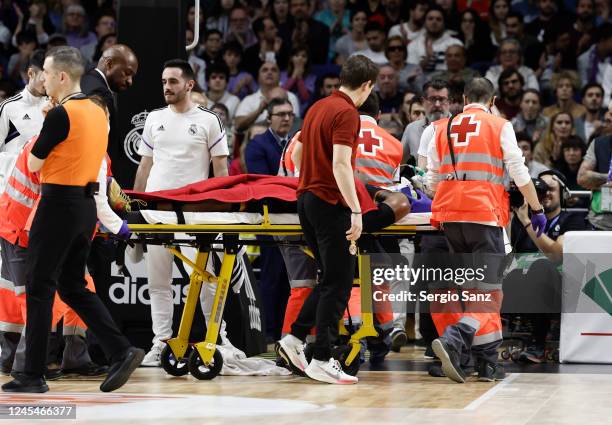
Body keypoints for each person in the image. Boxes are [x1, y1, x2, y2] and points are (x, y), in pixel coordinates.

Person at [1, 46, 143, 394]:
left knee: (38, 288)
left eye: (47, 73)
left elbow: (34, 164)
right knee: (73, 286)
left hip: (57, 205)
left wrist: (49, 124)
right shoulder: (99, 112)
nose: (43, 79)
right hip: (84, 209)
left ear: (62, 76)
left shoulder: (61, 114)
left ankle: (32, 374)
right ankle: (122, 350)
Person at [425, 77, 546, 383]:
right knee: (489, 294)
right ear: (492, 101)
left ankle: (486, 363)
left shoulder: (441, 128)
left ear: (464, 97)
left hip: (450, 217)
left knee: (472, 291)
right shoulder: (499, 125)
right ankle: (456, 338)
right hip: (484, 215)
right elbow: (519, 171)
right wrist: (537, 207)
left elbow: (431, 181)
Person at [277, 54, 379, 384]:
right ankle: (321, 357)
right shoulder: (348, 113)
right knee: (339, 281)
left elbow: (296, 154)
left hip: (305, 200)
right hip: (328, 202)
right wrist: (356, 209)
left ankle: (293, 340)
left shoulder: (318, 107)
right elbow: (340, 165)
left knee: (329, 279)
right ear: (366, 86)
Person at [133, 59, 229, 367]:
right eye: (163, 81)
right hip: (157, 213)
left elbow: (221, 171)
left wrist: (219, 213)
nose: (166, 87)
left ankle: (216, 339)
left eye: (173, 81)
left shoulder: (209, 120)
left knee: (205, 280)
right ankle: (160, 343)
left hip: (195, 214)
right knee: (158, 282)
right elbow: (144, 167)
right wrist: (135, 206)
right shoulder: (154, 119)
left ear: (189, 84)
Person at [508, 170, 589, 363]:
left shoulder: (573, 220)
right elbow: (508, 252)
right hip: (522, 284)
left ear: (563, 193)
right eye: (539, 190)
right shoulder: (519, 219)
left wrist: (528, 222)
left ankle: (538, 344)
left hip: (560, 288)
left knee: (540, 266)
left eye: (550, 189)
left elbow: (556, 254)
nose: (544, 194)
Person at [80, 44, 138, 184]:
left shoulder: (86, 81)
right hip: (94, 176)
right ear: (109, 63)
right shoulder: (99, 92)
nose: (130, 81)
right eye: (127, 73)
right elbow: (95, 142)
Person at [403, 79, 450, 164]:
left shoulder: (460, 127)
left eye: (442, 99)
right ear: (423, 101)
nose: (437, 104)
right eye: (432, 99)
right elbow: (398, 164)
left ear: (450, 102)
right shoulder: (412, 129)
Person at [577, 131, 612, 230]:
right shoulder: (599, 144)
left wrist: (599, 183)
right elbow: (582, 178)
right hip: (600, 223)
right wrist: (609, 177)